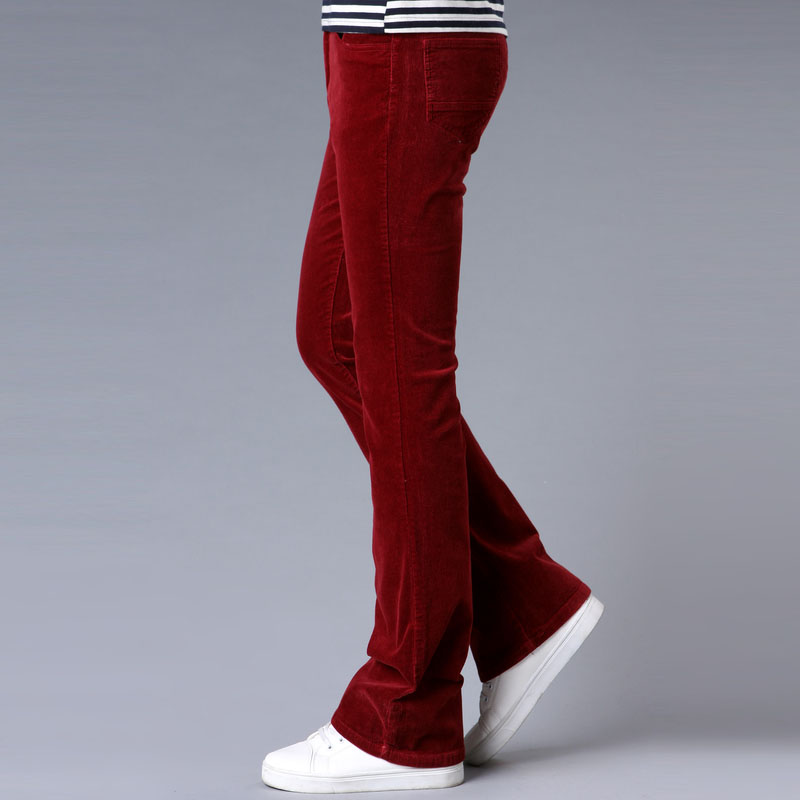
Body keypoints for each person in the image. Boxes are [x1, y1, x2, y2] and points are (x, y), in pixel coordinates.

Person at [261, 2, 604, 792]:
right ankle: (526, 609)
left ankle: (409, 712)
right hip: (377, 42)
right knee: (336, 336)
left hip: (406, 40)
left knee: (399, 367)